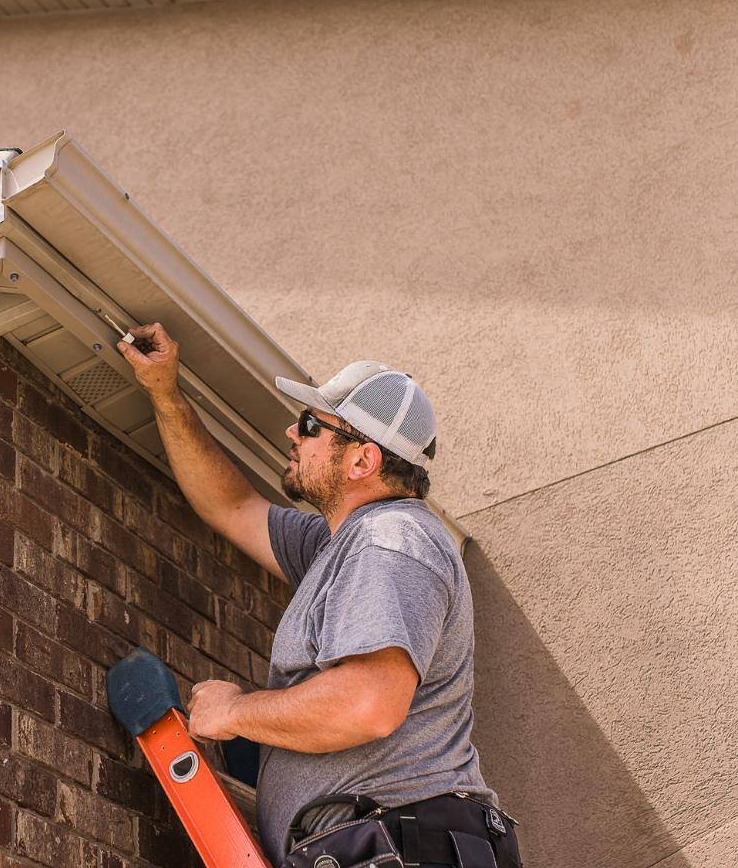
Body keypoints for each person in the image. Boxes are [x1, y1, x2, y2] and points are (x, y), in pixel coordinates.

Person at [117, 323, 521, 868]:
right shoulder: (340, 547)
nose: (292, 430)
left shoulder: (390, 541)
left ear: (362, 461)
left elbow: (367, 705)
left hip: (395, 848)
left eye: (311, 425)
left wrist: (235, 712)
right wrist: (165, 394)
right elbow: (232, 508)